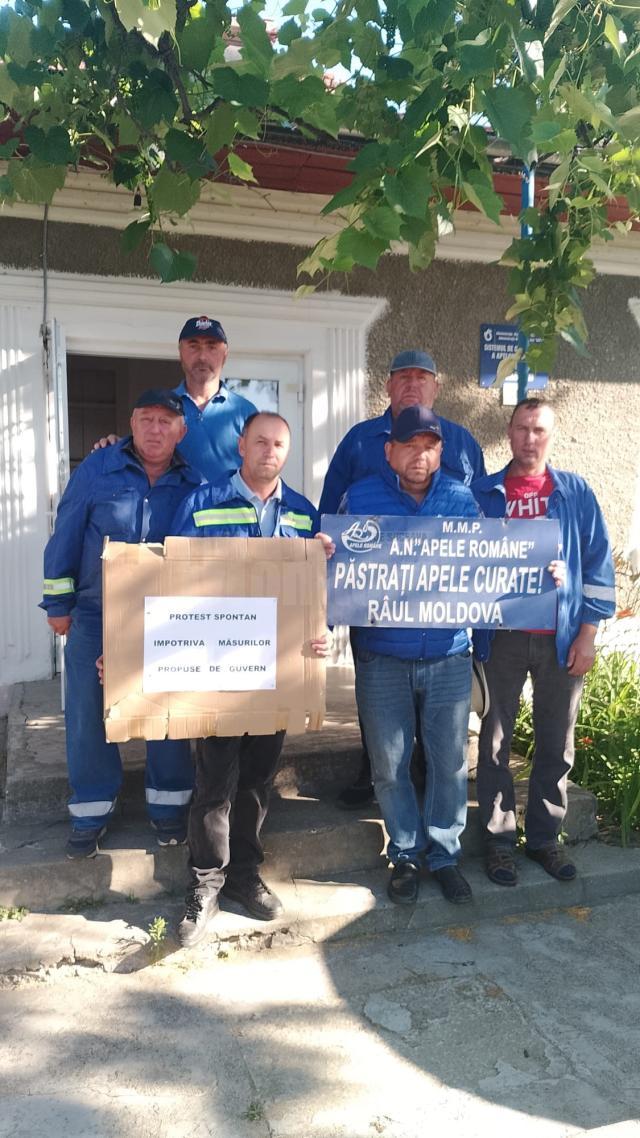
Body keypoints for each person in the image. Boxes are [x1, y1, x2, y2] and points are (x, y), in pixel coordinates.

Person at [168, 411, 332, 948]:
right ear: (241, 446)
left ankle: (243, 876)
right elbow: (171, 580)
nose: (269, 451)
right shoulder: (202, 503)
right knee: (214, 780)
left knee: (258, 780)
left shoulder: (303, 513)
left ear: (288, 451)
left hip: (276, 670)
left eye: (279, 444)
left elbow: (317, 589)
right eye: (260, 441)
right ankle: (205, 884)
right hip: (217, 666)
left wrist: (321, 629)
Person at [319, 349, 486, 808]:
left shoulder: (461, 443)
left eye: (422, 377)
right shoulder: (359, 441)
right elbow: (330, 517)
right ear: (388, 386)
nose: (412, 384)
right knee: (379, 709)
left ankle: (427, 776)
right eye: (403, 377)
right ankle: (371, 767)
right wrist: (325, 601)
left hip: (441, 616)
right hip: (377, 608)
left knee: (439, 730)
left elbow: (488, 530)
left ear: (436, 387)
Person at [41, 390, 204, 858]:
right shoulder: (97, 468)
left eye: (165, 421)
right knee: (88, 712)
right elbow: (66, 532)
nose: (155, 429)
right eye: (146, 419)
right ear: (132, 424)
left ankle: (169, 806)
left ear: (181, 432)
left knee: (167, 708)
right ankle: (91, 809)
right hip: (96, 613)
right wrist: (58, 603)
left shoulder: (195, 482)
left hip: (165, 618)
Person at [336, 404, 481, 907]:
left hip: (448, 655)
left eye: (429, 446)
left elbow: (490, 568)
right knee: (389, 766)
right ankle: (404, 854)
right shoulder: (360, 498)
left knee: (449, 764)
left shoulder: (462, 499)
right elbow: (337, 572)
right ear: (389, 450)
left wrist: (537, 576)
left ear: (440, 453)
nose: (420, 455)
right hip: (382, 658)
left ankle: (444, 856)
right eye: (409, 445)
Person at [472, 397, 616, 886]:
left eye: (539, 430)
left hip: (561, 637)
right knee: (494, 743)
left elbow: (598, 565)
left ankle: (543, 839)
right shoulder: (483, 493)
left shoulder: (574, 492)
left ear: (551, 436)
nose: (530, 438)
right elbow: (462, 561)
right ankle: (498, 843)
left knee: (556, 741)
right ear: (508, 433)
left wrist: (587, 634)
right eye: (522, 428)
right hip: (501, 637)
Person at [94, 316, 257, 480]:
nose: (202, 356)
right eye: (193, 346)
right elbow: (142, 455)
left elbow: (259, 475)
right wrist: (118, 446)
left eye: (211, 347)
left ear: (225, 354)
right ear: (180, 352)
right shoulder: (161, 407)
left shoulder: (246, 413)